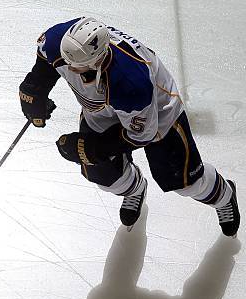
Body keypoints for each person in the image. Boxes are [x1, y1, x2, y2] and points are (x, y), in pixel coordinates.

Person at [19, 17, 240, 235]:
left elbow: (142, 134)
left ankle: (224, 195)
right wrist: (34, 89)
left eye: (74, 65)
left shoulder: (132, 83)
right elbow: (46, 62)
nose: (67, 65)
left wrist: (94, 148)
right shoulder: (58, 41)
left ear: (97, 61)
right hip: (100, 110)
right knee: (103, 176)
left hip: (157, 115)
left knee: (185, 182)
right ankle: (135, 189)